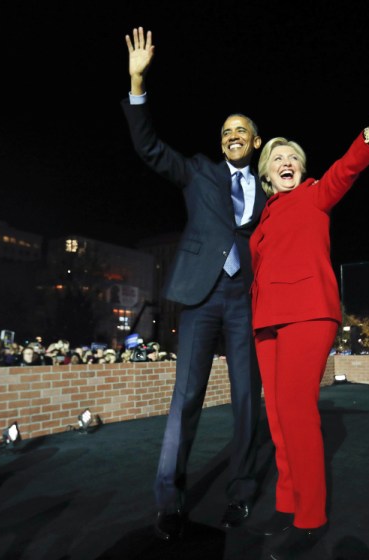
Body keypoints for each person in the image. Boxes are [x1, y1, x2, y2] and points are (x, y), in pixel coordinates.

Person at [249, 86, 369, 558]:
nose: (286, 161)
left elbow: (346, 170)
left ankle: (311, 518)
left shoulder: (313, 196)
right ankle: (288, 504)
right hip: (266, 321)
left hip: (307, 312)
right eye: (277, 157)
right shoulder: (264, 216)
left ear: (301, 168)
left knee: (297, 411)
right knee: (278, 416)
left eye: (293, 157)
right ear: (266, 172)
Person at [122, 27, 265, 541]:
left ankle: (243, 491)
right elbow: (149, 147)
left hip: (245, 300)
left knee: (248, 398)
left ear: (255, 141)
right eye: (226, 130)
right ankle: (169, 499)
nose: (232, 135)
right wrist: (138, 83)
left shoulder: (269, 189)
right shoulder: (199, 171)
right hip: (201, 299)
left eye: (241, 130)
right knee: (186, 400)